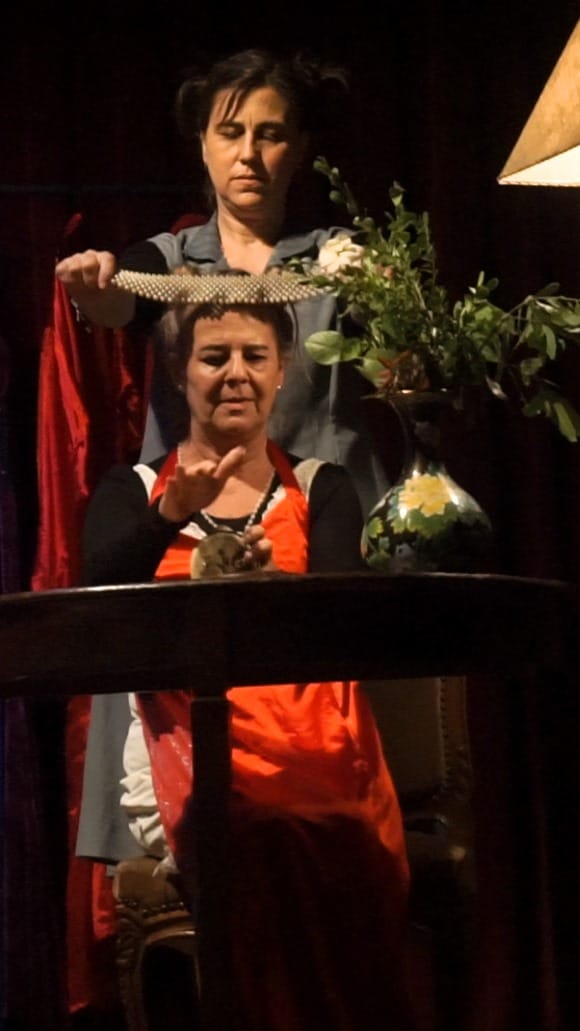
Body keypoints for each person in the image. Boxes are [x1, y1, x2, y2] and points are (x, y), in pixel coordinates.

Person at [80, 294, 413, 1030]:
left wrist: (271, 588)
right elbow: (95, 595)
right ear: (179, 371)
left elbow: (343, 621)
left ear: (283, 368)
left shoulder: (321, 486)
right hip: (186, 737)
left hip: (319, 734)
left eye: (255, 356)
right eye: (214, 357)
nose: (236, 373)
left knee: (338, 830)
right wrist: (169, 517)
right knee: (260, 831)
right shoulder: (134, 491)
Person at [55, 46, 389, 519]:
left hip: (326, 523)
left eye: (269, 134)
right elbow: (120, 304)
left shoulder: (343, 259)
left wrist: (392, 298)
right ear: (203, 144)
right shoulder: (168, 259)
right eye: (230, 133)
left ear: (299, 148)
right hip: (196, 526)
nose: (248, 154)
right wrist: (93, 289)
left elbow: (398, 360)